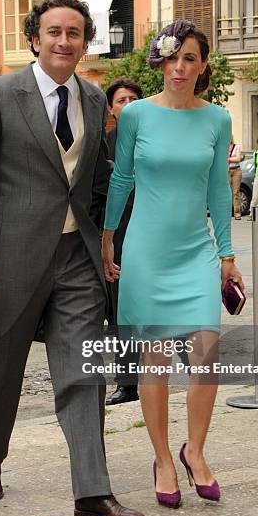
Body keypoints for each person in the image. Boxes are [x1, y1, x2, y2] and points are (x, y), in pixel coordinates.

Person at [0, 0, 145, 516]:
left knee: (84, 372)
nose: (65, 41)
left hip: (74, 256)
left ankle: (91, 491)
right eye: (54, 31)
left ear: (85, 43)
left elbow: (94, 180)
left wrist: (107, 241)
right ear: (34, 38)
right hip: (8, 256)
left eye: (75, 33)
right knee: (1, 367)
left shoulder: (93, 95)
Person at [102, 19, 243, 508]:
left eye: (190, 58)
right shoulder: (136, 114)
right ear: (160, 61)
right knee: (155, 357)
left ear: (204, 64)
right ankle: (163, 458)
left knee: (205, 353)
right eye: (172, 57)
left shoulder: (218, 118)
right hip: (145, 251)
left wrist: (227, 254)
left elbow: (218, 190)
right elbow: (121, 178)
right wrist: (106, 239)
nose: (180, 67)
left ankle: (196, 452)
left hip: (196, 251)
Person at [104, 78, 143, 406]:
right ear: (111, 108)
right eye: (121, 100)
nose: (127, 104)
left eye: (133, 98)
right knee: (121, 314)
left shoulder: (157, 140)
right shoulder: (102, 145)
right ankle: (127, 382)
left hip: (156, 235)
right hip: (117, 239)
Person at [228, 138, 242, 220]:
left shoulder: (237, 147)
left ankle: (237, 213)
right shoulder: (224, 147)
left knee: (236, 192)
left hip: (236, 171)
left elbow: (238, 158)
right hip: (227, 171)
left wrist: (228, 159)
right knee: (227, 193)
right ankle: (227, 213)